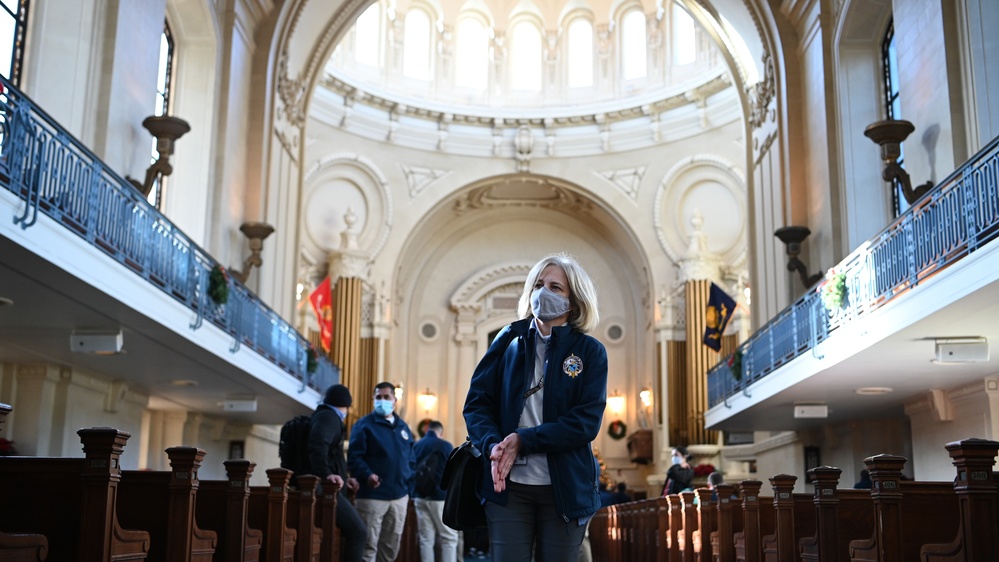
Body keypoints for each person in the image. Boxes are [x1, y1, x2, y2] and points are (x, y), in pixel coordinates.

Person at [463, 252, 608, 561]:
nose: (544, 293)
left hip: (564, 487)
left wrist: (524, 440)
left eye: (556, 287)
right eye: (539, 285)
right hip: (508, 486)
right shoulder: (508, 340)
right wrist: (492, 445)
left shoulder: (590, 351)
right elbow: (477, 405)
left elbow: (585, 423)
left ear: (573, 301)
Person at [347, 382, 417, 562]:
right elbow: (355, 457)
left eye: (387, 397)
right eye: (378, 397)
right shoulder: (364, 425)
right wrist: (367, 474)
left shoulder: (403, 427)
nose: (382, 401)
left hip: (399, 496)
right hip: (372, 496)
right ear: (373, 399)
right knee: (368, 547)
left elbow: (411, 458)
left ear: (394, 401)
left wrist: (408, 480)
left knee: (390, 548)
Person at [305, 384, 368, 562]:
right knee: (359, 531)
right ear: (346, 405)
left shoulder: (324, 416)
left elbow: (332, 456)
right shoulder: (328, 418)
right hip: (324, 488)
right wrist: (327, 475)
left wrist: (344, 478)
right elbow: (318, 446)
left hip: (325, 486)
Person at [412, 420, 459, 562]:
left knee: (426, 539)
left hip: (419, 496)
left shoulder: (416, 445)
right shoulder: (445, 445)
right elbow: (453, 472)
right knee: (449, 538)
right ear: (441, 432)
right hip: (439, 498)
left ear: (427, 430)